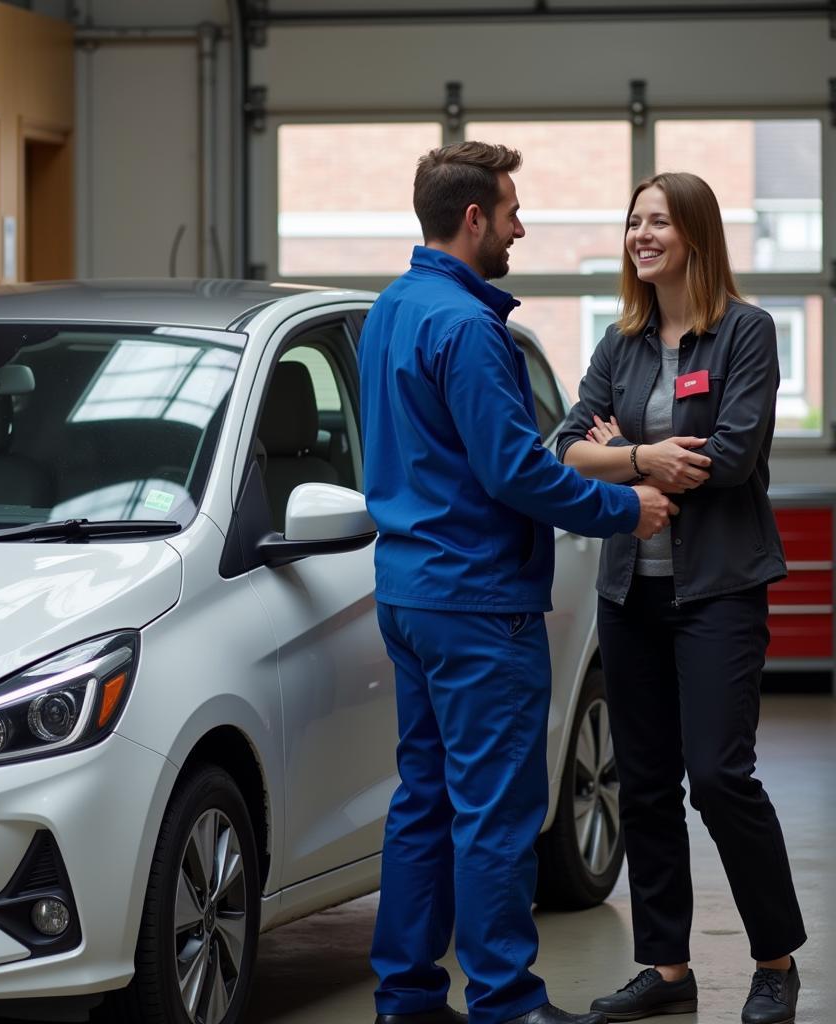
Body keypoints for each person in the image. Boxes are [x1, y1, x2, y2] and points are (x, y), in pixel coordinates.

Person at [357, 141, 675, 1024]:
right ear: (472, 220)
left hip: (410, 594)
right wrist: (627, 507)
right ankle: (505, 1003)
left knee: (423, 802)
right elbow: (514, 474)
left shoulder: (390, 310)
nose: (519, 227)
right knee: (495, 813)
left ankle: (409, 998)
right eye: (510, 211)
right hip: (477, 601)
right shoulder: (465, 326)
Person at [556, 171, 806, 1024]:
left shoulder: (746, 332)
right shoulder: (619, 343)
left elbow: (731, 456)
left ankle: (774, 962)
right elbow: (563, 445)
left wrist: (624, 448)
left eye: (658, 221)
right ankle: (667, 969)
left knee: (719, 776)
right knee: (649, 784)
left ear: (695, 234)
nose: (641, 235)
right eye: (633, 221)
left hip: (719, 593)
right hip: (631, 593)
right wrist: (643, 460)